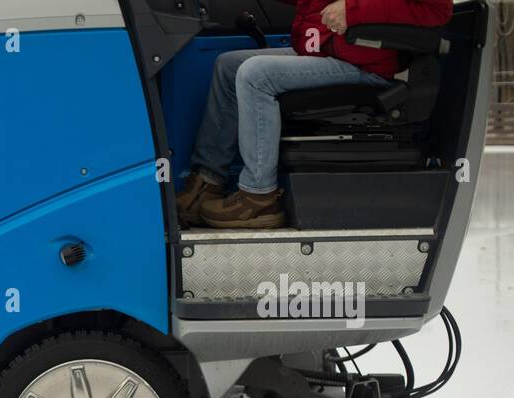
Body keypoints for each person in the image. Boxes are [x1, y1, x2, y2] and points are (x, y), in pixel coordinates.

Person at [177, 0, 453, 229]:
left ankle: (259, 198)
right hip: (328, 53)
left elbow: (437, 10)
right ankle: (206, 183)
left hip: (368, 65)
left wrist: (353, 9)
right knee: (229, 65)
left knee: (255, 75)